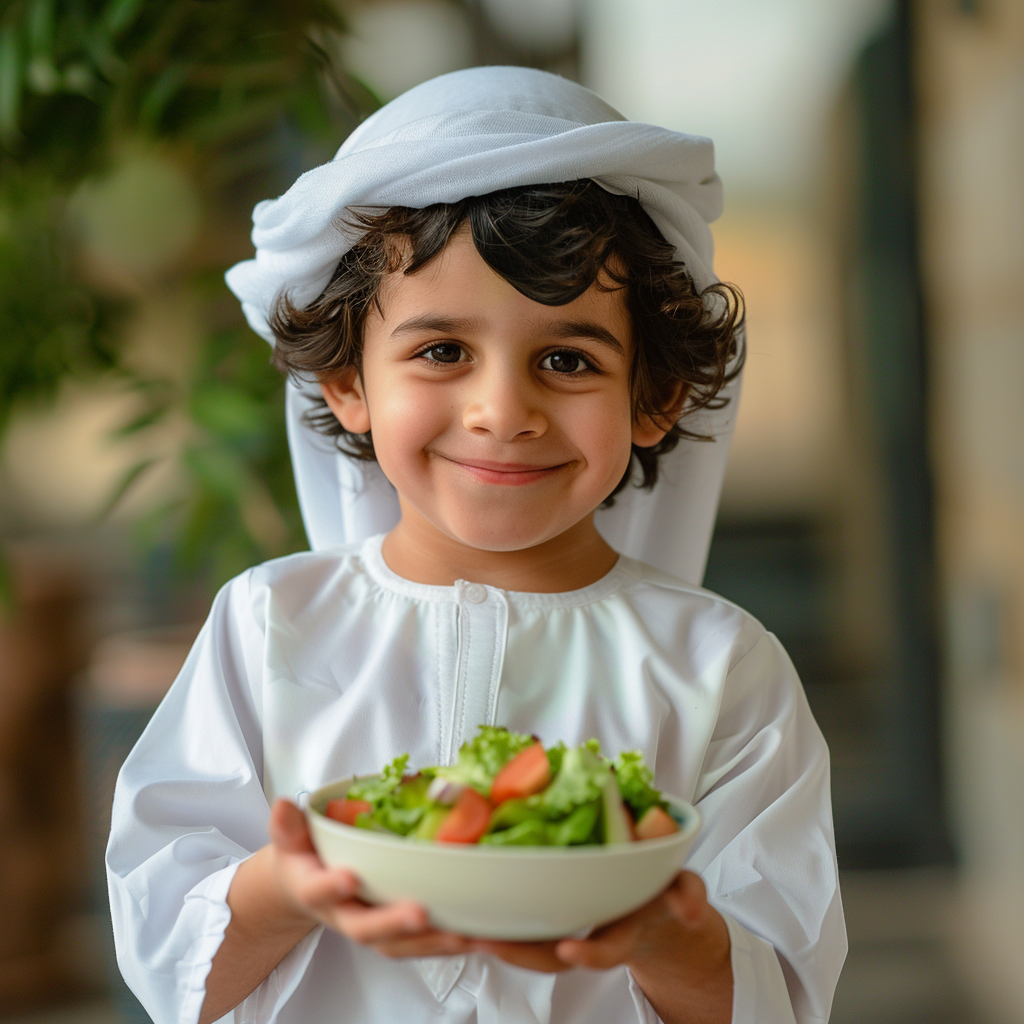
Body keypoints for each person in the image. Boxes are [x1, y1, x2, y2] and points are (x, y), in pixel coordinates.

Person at [106, 67, 846, 1024]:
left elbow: (779, 995)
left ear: (656, 397)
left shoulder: (720, 667)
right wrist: (286, 888)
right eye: (442, 351)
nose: (503, 412)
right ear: (347, 383)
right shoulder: (267, 623)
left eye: (568, 359)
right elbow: (172, 964)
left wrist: (668, 932)